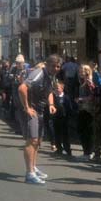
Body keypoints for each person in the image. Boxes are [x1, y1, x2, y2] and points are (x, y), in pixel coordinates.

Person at [18, 54, 61, 185]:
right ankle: (29, 173)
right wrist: (27, 107)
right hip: (32, 111)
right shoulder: (39, 74)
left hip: (41, 111)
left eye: (58, 66)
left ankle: (33, 167)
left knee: (38, 141)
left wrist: (51, 105)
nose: (56, 68)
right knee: (32, 140)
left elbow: (49, 92)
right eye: (53, 66)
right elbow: (22, 88)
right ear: (47, 65)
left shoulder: (51, 76)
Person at [75, 64, 95, 161]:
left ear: (87, 71)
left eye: (81, 71)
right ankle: (86, 152)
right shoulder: (81, 82)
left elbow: (92, 96)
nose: (79, 73)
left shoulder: (88, 82)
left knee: (86, 130)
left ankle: (88, 152)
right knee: (82, 130)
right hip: (82, 108)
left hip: (88, 109)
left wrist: (81, 99)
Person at [52, 82, 73, 156]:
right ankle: (59, 148)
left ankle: (67, 149)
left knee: (65, 135)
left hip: (64, 118)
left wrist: (69, 117)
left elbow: (69, 108)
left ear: (62, 88)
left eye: (57, 88)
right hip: (56, 118)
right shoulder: (53, 97)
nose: (56, 89)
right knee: (57, 134)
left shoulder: (66, 97)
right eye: (55, 88)